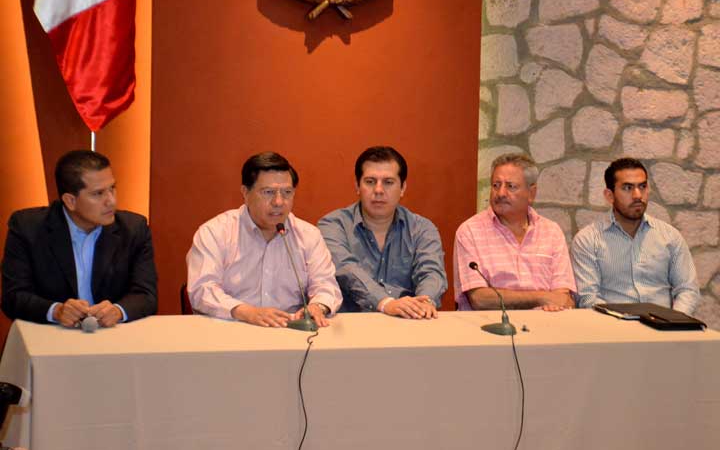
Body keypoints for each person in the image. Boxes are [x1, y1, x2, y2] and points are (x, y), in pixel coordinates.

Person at [1, 150, 158, 327]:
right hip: (51, 336)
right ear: (70, 201)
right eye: (98, 193)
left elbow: (146, 295)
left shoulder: (134, 229)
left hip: (112, 335)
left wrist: (118, 311)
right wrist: (57, 311)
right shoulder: (28, 228)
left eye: (112, 188)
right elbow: (13, 297)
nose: (111, 201)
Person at [186, 152, 342, 327]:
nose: (279, 202)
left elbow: (326, 285)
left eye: (287, 192)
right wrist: (246, 312)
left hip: (290, 331)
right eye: (268, 192)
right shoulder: (215, 232)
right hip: (233, 328)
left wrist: (318, 306)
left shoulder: (308, 235)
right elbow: (202, 289)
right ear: (245, 193)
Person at [318, 146, 447, 318]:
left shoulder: (422, 228)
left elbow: (431, 272)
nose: (378, 190)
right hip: (350, 324)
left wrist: (425, 302)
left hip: (408, 322)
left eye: (388, 182)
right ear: (357, 186)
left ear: (402, 188)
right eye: (370, 181)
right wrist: (386, 303)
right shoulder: (333, 225)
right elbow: (346, 270)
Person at [571, 158, 700, 313]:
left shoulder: (669, 236)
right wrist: (621, 323)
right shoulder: (588, 240)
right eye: (628, 188)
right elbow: (588, 298)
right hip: (612, 325)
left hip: (664, 325)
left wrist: (675, 320)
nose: (638, 195)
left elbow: (688, 289)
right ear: (609, 195)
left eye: (642, 186)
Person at [454, 153, 576, 311]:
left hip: (545, 322)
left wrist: (554, 303)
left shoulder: (552, 232)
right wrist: (541, 298)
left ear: (531, 193)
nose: (501, 193)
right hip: (488, 323)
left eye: (510, 186)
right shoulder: (470, 231)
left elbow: (562, 297)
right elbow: (480, 299)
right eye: (496, 185)